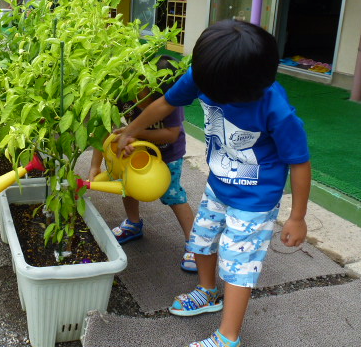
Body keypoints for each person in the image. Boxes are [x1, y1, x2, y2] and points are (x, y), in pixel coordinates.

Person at [116, 20, 311, 347]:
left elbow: (300, 163)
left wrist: (297, 216)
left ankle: (228, 336)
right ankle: (207, 293)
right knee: (201, 240)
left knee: (238, 263)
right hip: (218, 185)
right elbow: (166, 103)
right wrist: (131, 130)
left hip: (256, 200)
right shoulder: (207, 75)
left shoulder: (275, 107)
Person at [90, 55, 197, 273]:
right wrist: (95, 165)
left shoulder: (171, 100)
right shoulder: (123, 92)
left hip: (168, 154)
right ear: (141, 81)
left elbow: (171, 134)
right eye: (152, 96)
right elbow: (104, 129)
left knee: (173, 194)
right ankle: (133, 223)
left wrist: (136, 133)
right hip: (138, 147)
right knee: (127, 185)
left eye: (161, 99)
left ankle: (195, 244)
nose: (155, 104)